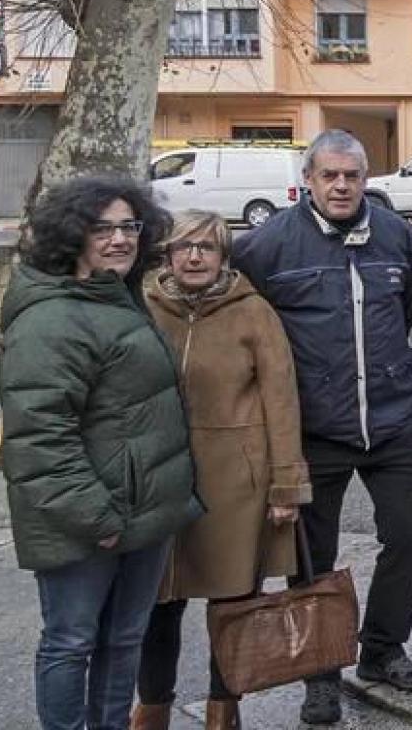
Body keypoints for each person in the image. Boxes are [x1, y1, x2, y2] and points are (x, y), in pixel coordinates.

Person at [232, 129, 412, 725]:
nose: (342, 186)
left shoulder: (395, 234)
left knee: (409, 538)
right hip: (315, 430)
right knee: (312, 558)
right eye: (331, 176)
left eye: (352, 176)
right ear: (310, 181)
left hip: (393, 421)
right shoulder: (267, 245)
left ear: (365, 178)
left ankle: (382, 650)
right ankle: (319, 674)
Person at [0, 177, 198, 730]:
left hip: (139, 513)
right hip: (88, 519)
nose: (119, 239)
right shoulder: (53, 317)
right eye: (102, 227)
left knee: (123, 638)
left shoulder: (116, 295)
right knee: (71, 641)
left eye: (129, 226)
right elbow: (40, 437)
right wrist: (98, 518)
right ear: (71, 235)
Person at [134, 210, 309, 730]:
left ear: (223, 256)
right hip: (160, 477)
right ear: (166, 254)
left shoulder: (253, 312)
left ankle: (222, 705)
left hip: (235, 483)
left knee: (233, 602)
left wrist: (285, 485)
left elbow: (282, 402)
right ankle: (153, 706)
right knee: (157, 599)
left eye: (206, 248)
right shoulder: (145, 307)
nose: (194, 256)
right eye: (184, 246)